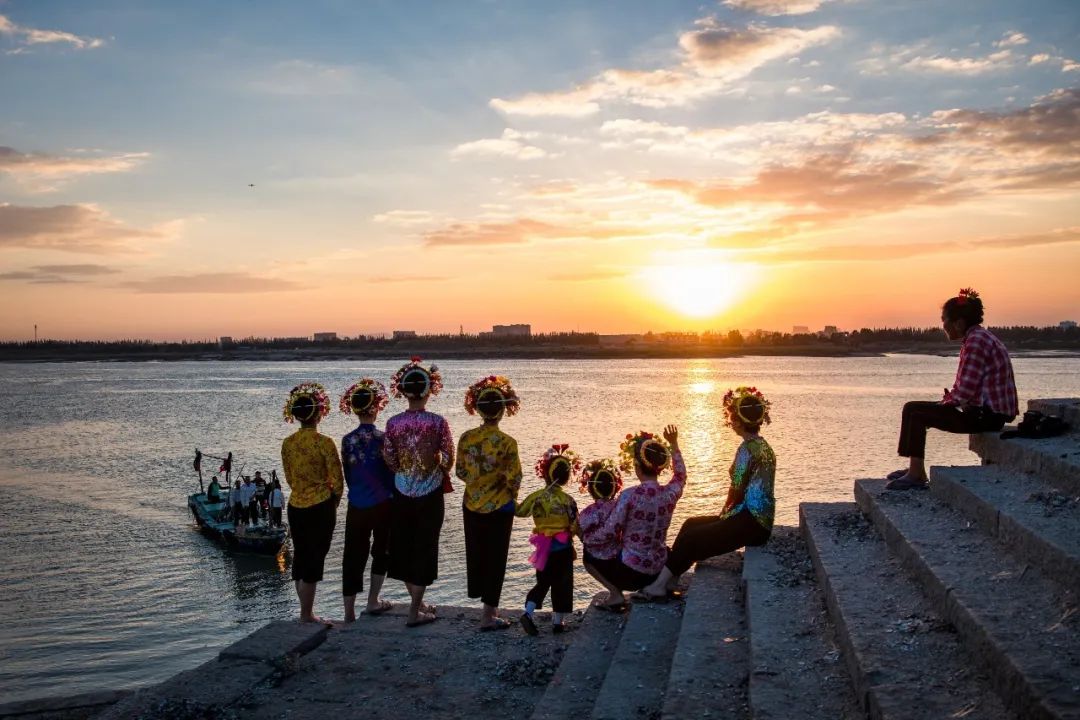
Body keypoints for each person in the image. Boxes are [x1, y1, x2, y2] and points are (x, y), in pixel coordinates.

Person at [639, 388, 773, 600]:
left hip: (753, 523)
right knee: (691, 523)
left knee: (693, 537)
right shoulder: (761, 445)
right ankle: (671, 579)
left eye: (732, 418)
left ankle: (659, 585)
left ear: (738, 422)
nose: (731, 422)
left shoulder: (748, 450)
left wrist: (723, 517)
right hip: (752, 518)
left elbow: (736, 489)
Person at [887, 288, 1018, 490]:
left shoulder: (976, 342)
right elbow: (966, 388)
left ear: (958, 323)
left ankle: (916, 475)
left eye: (944, 320)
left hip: (986, 417)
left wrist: (946, 402)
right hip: (985, 413)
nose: (943, 326)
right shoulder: (978, 338)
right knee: (912, 408)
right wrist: (949, 401)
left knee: (918, 413)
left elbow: (964, 391)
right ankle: (913, 468)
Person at [382, 357, 454, 628]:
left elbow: (388, 457)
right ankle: (414, 611)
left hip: (402, 490)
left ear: (402, 391)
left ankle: (417, 602)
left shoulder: (393, 423)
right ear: (428, 390)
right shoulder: (437, 422)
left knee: (402, 548)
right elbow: (448, 458)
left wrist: (404, 469)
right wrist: (433, 463)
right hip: (430, 491)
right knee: (424, 549)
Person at [456, 375, 523, 631]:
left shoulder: (466, 438)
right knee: (496, 558)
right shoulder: (507, 443)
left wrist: (477, 481)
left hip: (471, 504)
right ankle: (488, 614)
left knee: (477, 554)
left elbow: (460, 471)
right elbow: (514, 478)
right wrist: (505, 492)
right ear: (503, 410)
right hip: (499, 507)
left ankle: (486, 607)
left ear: (479, 410)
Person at [595, 427, 685, 602]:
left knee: (589, 554)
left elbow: (611, 529)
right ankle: (662, 583)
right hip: (658, 568)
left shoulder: (629, 495)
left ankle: (615, 596)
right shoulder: (670, 493)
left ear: (637, 466)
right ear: (659, 467)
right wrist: (674, 444)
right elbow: (680, 476)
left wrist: (587, 536)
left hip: (632, 573)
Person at [280, 382, 343, 624]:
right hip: (320, 506)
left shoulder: (288, 443)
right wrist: (333, 503)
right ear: (318, 414)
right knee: (315, 559)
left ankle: (305, 610)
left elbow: (288, 476)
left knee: (301, 556)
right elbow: (337, 481)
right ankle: (306, 614)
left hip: (296, 506)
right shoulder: (324, 442)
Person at [339, 378, 395, 622]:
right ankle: (373, 600)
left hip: (357, 502)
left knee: (353, 555)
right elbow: (392, 471)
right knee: (381, 551)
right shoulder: (385, 438)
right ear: (376, 408)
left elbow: (348, 474)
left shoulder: (347, 440)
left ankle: (349, 612)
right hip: (384, 502)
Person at [516, 444, 581, 635]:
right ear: (565, 478)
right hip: (563, 548)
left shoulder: (537, 497)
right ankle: (557, 622)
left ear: (545, 475)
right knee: (563, 584)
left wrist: (510, 495)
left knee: (543, 582)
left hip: (544, 547)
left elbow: (520, 511)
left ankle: (528, 613)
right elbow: (574, 525)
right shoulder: (568, 500)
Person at [576, 459, 627, 611]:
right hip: (621, 554)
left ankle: (614, 592)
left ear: (592, 489)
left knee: (587, 557)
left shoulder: (590, 512)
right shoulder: (619, 505)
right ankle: (617, 590)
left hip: (600, 559)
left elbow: (581, 530)